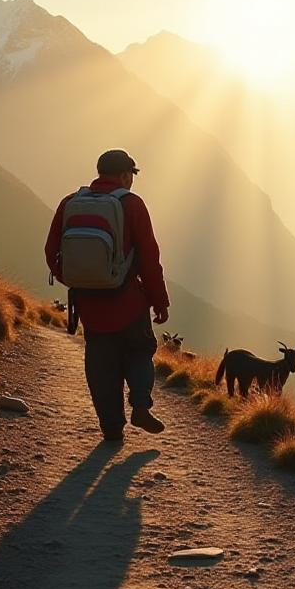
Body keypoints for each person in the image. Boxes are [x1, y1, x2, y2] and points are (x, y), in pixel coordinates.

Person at [44, 149, 170, 442]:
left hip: (89, 305)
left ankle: (111, 428)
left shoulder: (70, 203)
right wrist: (159, 301)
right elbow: (150, 259)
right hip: (129, 303)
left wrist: (78, 280)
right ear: (126, 175)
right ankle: (140, 406)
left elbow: (51, 252)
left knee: (100, 366)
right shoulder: (132, 205)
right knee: (139, 352)